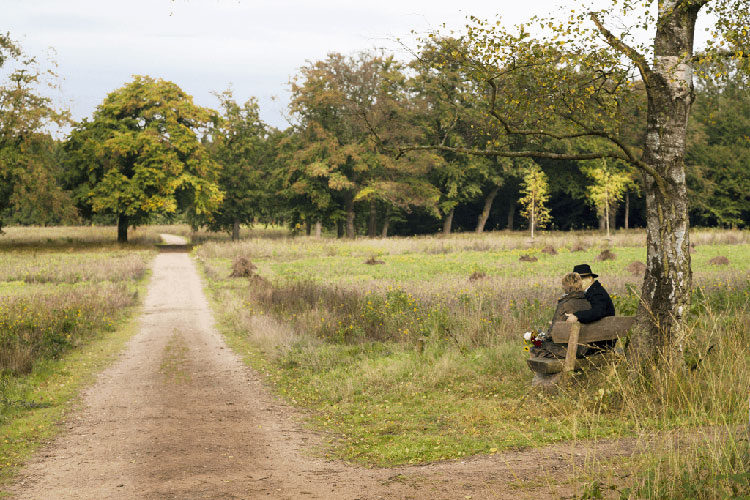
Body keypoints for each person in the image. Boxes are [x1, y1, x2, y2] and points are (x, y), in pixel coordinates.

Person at [530, 272, 592, 359]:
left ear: (567, 286)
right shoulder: (590, 302)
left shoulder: (564, 304)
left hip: (571, 349)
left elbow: (552, 333)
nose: (562, 287)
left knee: (535, 345)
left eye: (563, 285)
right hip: (587, 349)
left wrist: (540, 337)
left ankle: (545, 372)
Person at [564, 263, 616, 352]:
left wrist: (577, 316)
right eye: (577, 280)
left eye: (582, 279)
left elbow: (598, 311)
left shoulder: (597, 293)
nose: (579, 282)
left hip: (599, 344)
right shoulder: (592, 291)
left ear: (590, 278)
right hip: (596, 339)